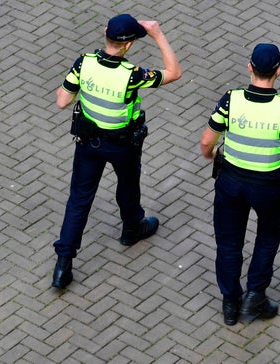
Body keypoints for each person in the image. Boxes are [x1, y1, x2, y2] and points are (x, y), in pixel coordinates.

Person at [51, 14, 182, 289]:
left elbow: (62, 100)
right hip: (122, 144)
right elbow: (174, 72)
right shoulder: (132, 75)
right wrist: (158, 35)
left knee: (79, 200)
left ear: (105, 34)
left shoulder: (84, 63)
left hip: (88, 143)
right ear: (129, 45)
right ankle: (132, 228)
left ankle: (63, 265)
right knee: (128, 183)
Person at [200, 43, 280, 325]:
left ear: (249, 67)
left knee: (228, 244)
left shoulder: (231, 100)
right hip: (268, 188)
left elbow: (207, 141)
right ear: (278, 70)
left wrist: (211, 154)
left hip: (230, 183)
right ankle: (255, 297)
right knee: (267, 237)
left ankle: (230, 303)